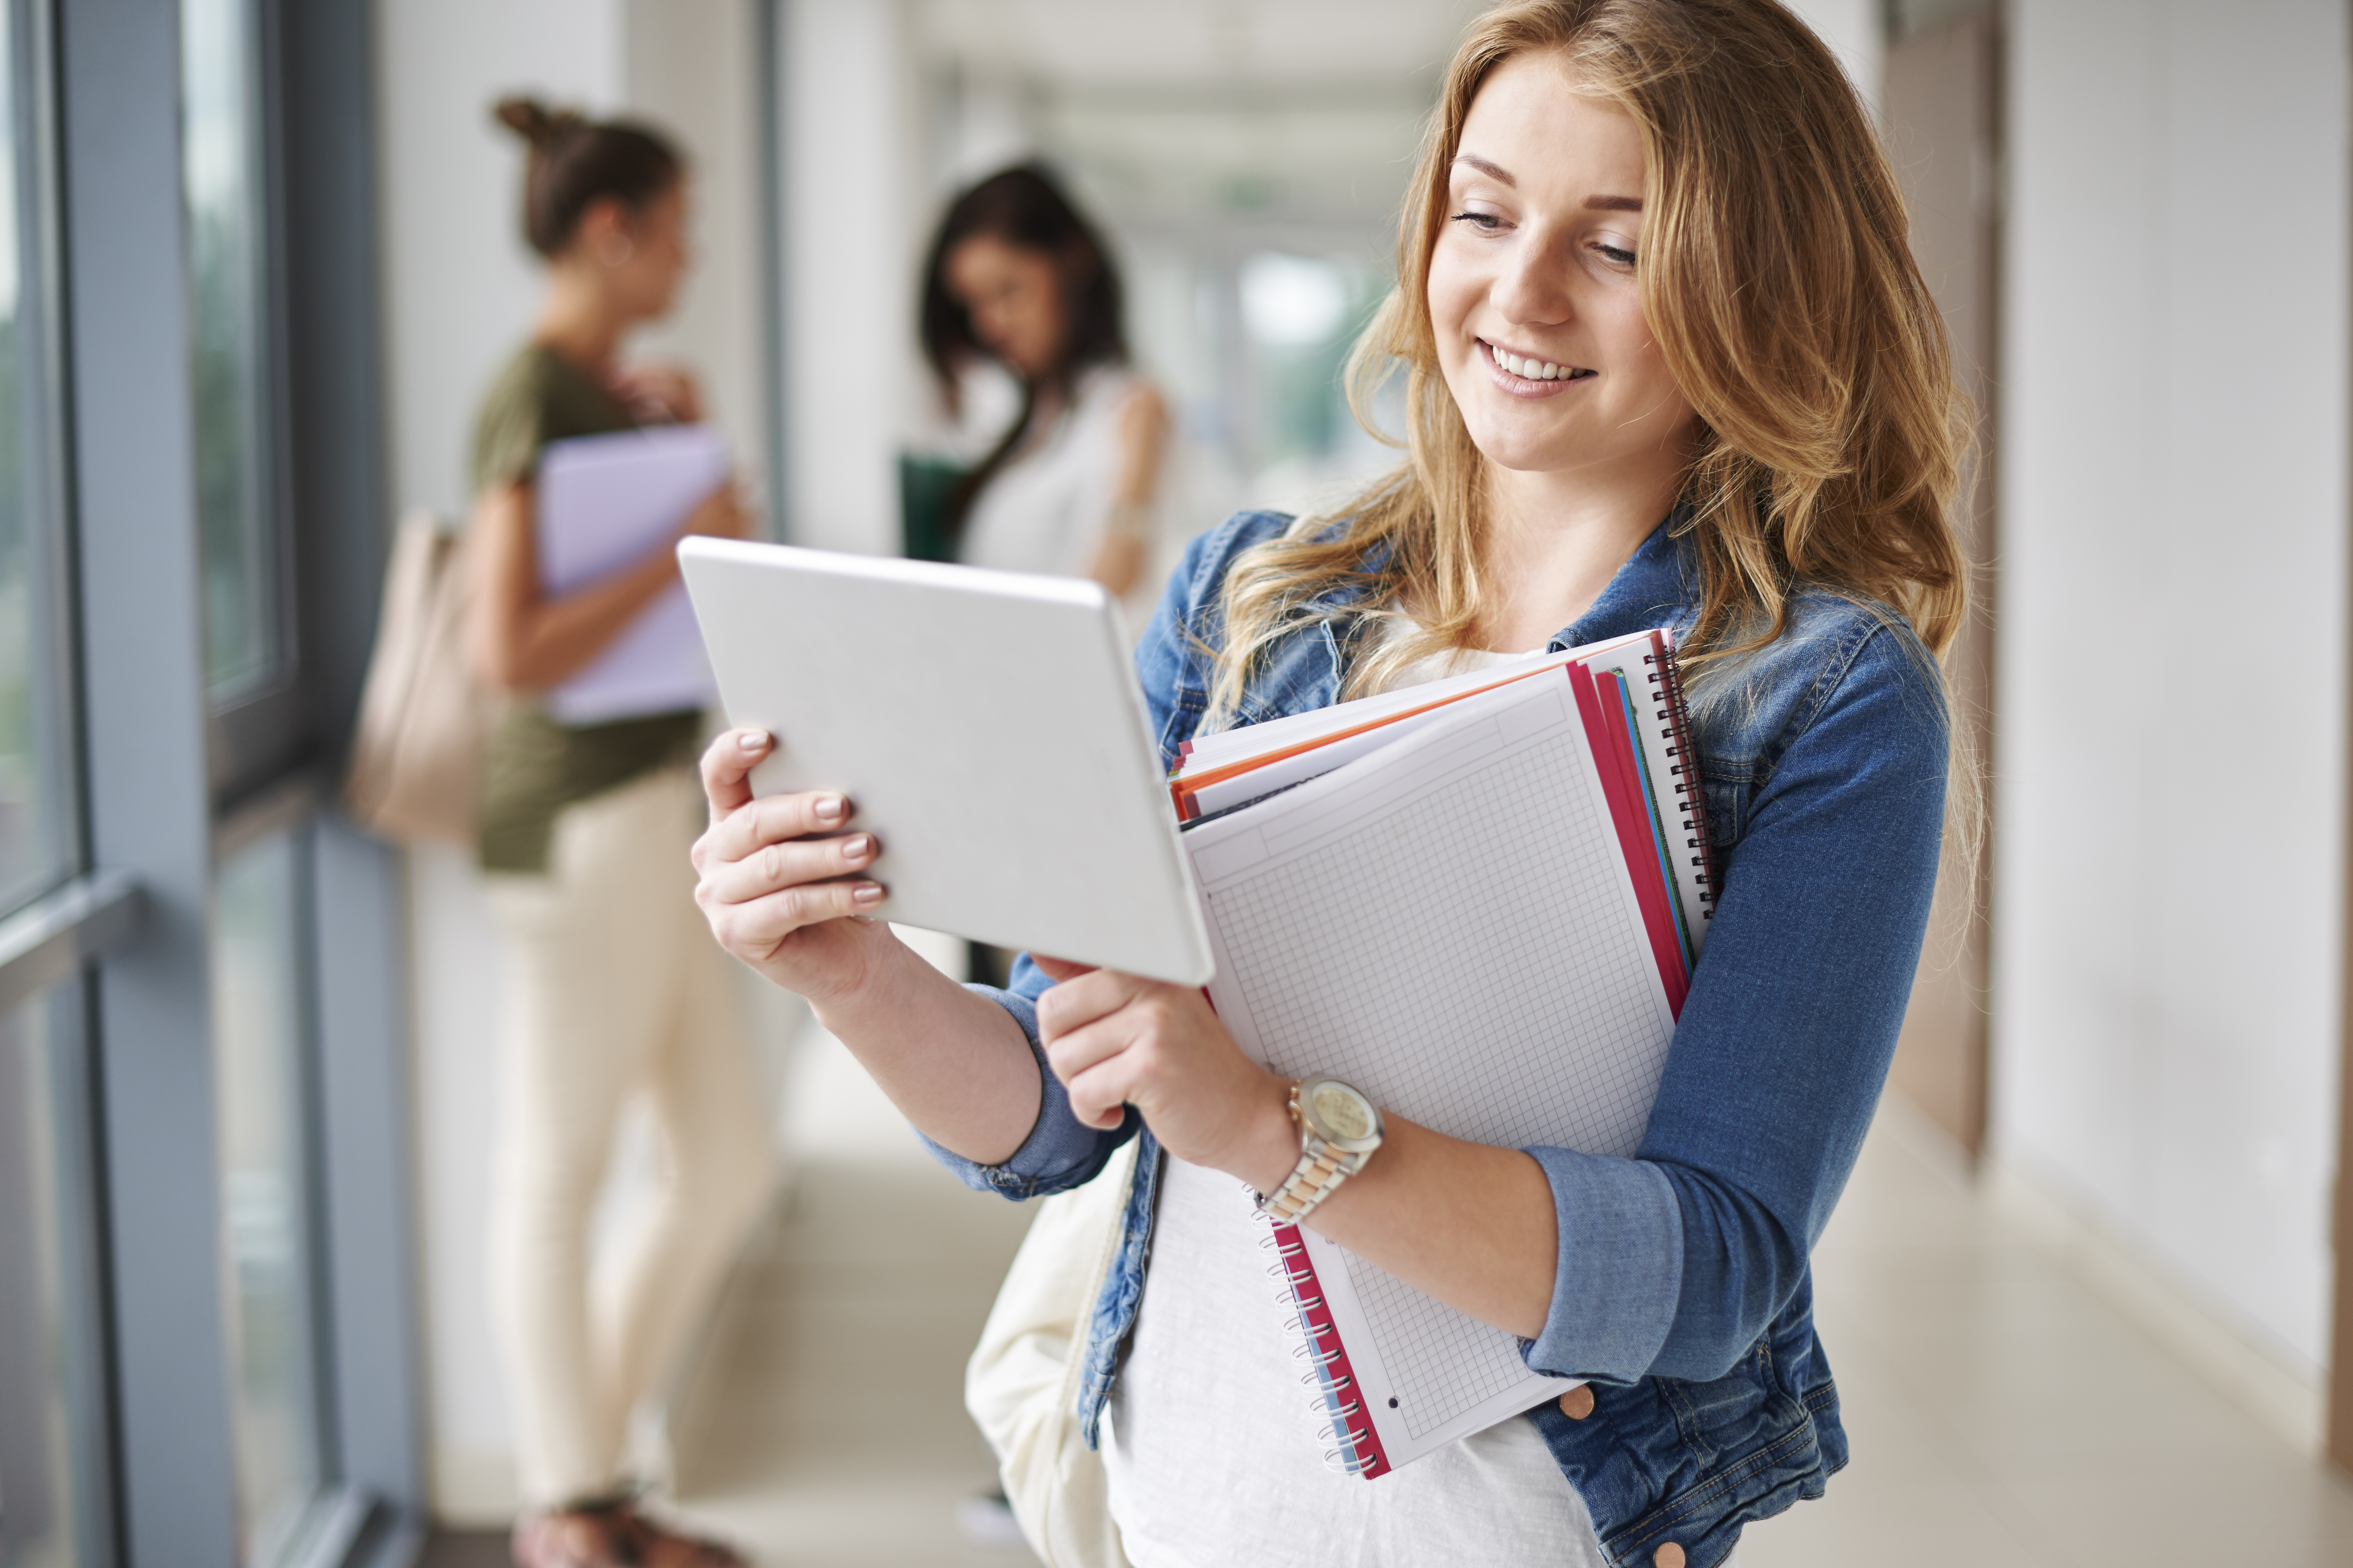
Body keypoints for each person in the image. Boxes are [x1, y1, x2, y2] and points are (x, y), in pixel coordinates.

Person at [690, 1, 1966, 1563]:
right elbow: (1048, 1109)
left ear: (1754, 281)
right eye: (1482, 211)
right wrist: (852, 975)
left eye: (1615, 247)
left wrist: (1267, 1126)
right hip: (1178, 1493)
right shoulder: (1252, 600)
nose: (1516, 288)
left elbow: (1708, 1277)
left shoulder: (1818, 692)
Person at [469, 97, 771, 1568]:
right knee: (557, 1168)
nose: (691, 252)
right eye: (679, 224)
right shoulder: (526, 392)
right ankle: (572, 1510)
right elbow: (505, 647)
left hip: (649, 804)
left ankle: (585, 1479)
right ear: (614, 229)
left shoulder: (606, 393)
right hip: (574, 821)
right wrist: (676, 529)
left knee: (722, 1160)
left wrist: (688, 467)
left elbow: (680, 593)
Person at [919, 164, 1169, 599]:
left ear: (1072, 263)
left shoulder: (1133, 410)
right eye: (973, 305)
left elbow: (1110, 593)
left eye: (1008, 291)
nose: (990, 324)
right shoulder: (1022, 420)